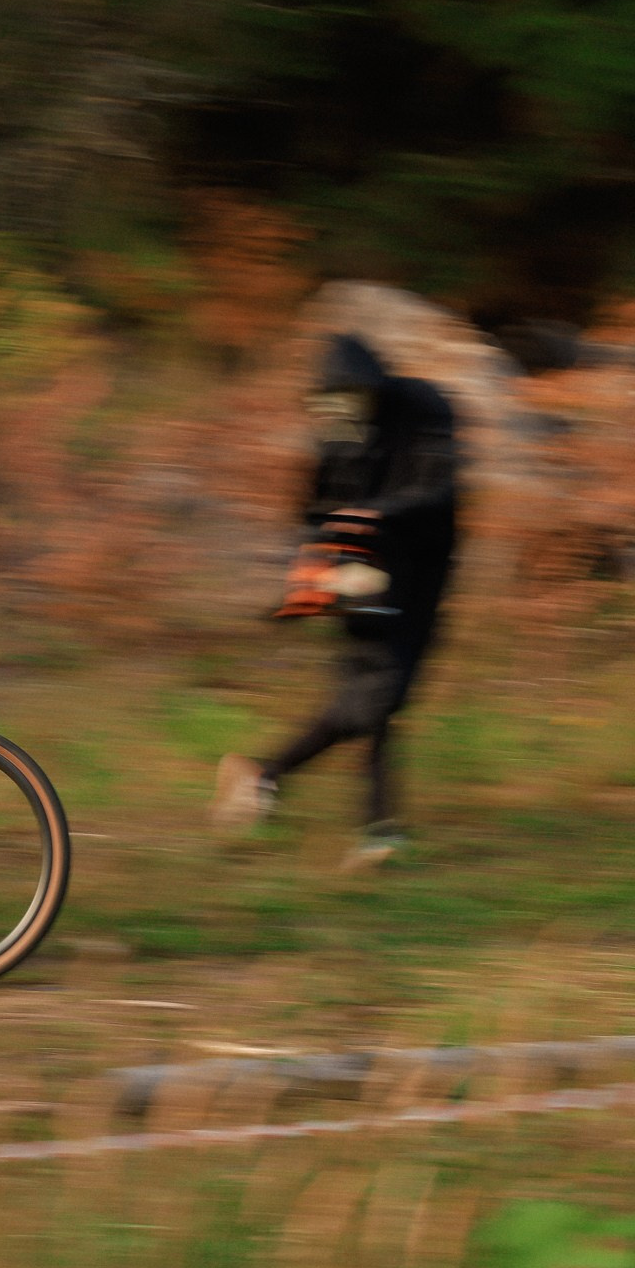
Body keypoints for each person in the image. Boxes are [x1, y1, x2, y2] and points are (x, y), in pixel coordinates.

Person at [211, 334, 460, 870]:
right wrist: (315, 572)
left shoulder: (426, 406)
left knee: (380, 701)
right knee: (379, 693)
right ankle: (380, 830)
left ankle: (263, 776)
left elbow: (442, 488)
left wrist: (381, 512)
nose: (343, 411)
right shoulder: (333, 430)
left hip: (426, 566)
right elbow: (314, 509)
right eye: (334, 400)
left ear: (374, 387)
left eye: (353, 397)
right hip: (365, 573)